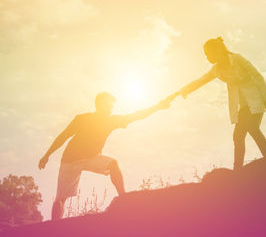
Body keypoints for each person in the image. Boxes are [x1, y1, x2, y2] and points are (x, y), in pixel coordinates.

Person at [38, 92, 172, 220]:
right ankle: (54, 226)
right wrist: (47, 155)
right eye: (108, 105)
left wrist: (157, 107)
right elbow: (63, 136)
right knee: (61, 198)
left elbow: (136, 116)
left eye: (112, 106)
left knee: (113, 165)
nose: (110, 109)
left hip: (91, 157)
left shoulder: (111, 120)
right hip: (70, 160)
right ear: (98, 105)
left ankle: (123, 198)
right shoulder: (82, 119)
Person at [176, 37, 266, 170]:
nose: (206, 57)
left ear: (217, 50)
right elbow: (202, 80)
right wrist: (186, 89)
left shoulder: (238, 59)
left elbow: (257, 76)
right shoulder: (217, 70)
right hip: (243, 105)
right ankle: (237, 170)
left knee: (253, 128)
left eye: (208, 53)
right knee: (238, 136)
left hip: (256, 98)